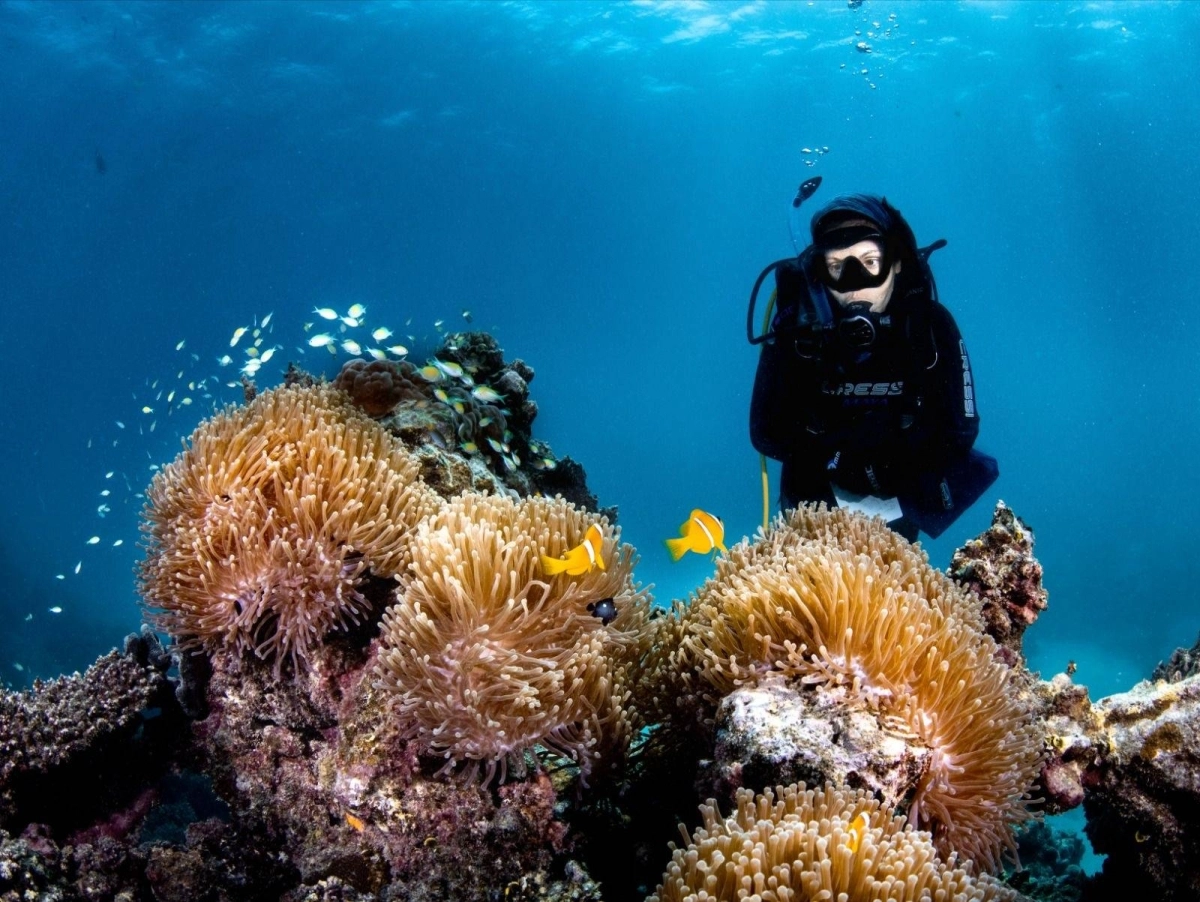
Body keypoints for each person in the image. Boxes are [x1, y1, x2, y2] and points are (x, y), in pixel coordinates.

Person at [748, 189, 997, 541]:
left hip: (896, 503)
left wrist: (895, 463)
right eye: (837, 268)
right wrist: (835, 457)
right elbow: (764, 431)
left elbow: (961, 430)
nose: (854, 285)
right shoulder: (799, 330)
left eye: (869, 262)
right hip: (811, 502)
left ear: (895, 262)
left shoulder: (930, 327)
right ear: (821, 275)